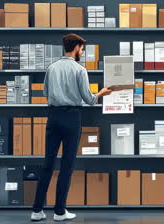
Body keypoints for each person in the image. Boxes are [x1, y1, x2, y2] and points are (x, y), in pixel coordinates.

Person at [31, 34, 112, 221]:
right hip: (72, 118)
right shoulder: (79, 69)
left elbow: (45, 92)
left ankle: (37, 211)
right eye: (82, 49)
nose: (82, 52)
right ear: (76, 47)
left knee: (47, 164)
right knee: (66, 166)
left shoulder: (51, 68)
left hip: (53, 116)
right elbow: (89, 100)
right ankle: (59, 212)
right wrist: (101, 93)